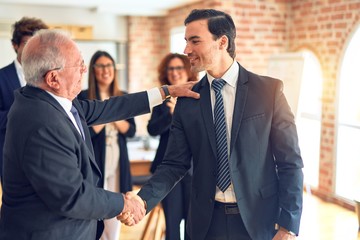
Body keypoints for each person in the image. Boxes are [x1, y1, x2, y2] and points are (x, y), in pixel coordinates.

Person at [122, 9, 304, 240]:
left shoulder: (269, 91)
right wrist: (142, 199)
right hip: (205, 224)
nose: (187, 50)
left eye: (195, 41)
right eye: (186, 41)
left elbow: (290, 163)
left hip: (259, 221)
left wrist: (288, 226)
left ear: (222, 42)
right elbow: (174, 164)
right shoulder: (187, 101)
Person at [0, 29, 199, 240]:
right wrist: (125, 202)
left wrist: (167, 91)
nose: (85, 70)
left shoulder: (53, 102)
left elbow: (108, 108)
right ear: (53, 78)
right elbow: (73, 196)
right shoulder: (41, 121)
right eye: (78, 65)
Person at [78, 50, 136, 240]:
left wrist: (113, 109)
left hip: (118, 162)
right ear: (93, 70)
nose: (106, 70)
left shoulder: (123, 97)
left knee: (115, 210)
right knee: (96, 211)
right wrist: (107, 110)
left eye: (109, 65)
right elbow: (85, 133)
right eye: (101, 66)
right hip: (96, 162)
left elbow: (130, 130)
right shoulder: (84, 96)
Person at [147, 53, 197, 240]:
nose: (175, 73)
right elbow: (152, 129)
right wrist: (170, 114)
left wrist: (180, 113)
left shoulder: (199, 97)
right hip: (167, 169)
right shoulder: (161, 99)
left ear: (188, 71)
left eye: (179, 68)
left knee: (193, 223)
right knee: (172, 224)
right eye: (170, 69)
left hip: (194, 169)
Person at [0, 17, 48, 185]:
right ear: (15, 45)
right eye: (27, 43)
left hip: (45, 155)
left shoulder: (48, 77)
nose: (33, 48)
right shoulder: (1, 77)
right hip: (11, 157)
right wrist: (26, 113)